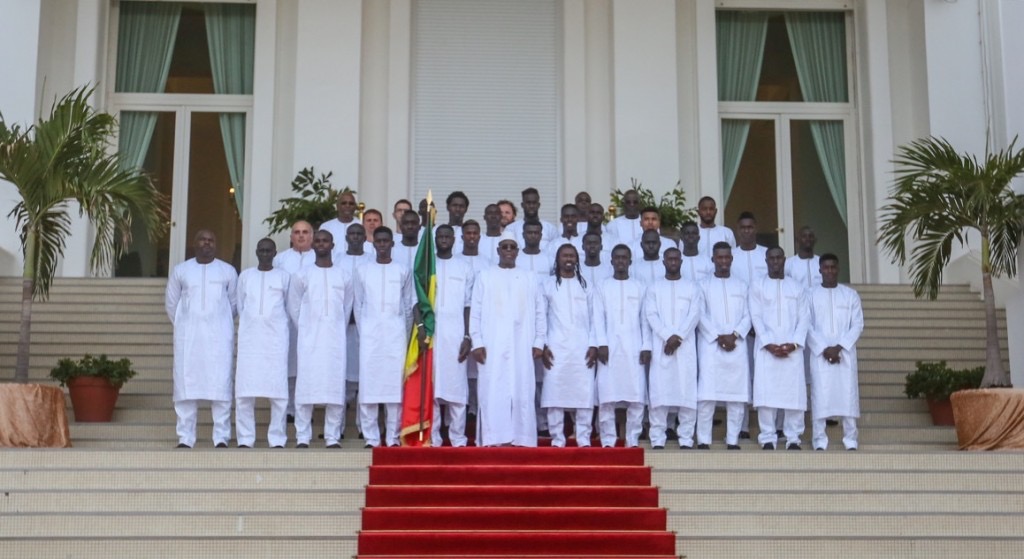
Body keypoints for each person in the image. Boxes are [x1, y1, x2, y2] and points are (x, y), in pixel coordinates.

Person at [469, 236, 545, 447]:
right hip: (492, 344)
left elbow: (540, 311)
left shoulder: (529, 277)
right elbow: (475, 312)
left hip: (523, 343)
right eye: (505, 247)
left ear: (518, 251)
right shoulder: (485, 276)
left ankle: (523, 438)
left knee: (522, 388)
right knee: (492, 389)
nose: (509, 250)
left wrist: (539, 340)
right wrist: (477, 341)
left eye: (512, 247)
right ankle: (494, 437)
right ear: (498, 250)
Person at [165, 229, 238, 449]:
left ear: (215, 244)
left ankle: (221, 437)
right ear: (194, 244)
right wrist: (186, 325)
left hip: (219, 339)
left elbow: (233, 304)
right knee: (186, 388)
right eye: (202, 240)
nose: (207, 243)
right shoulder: (181, 270)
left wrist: (219, 323)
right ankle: (186, 437)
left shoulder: (227, 271)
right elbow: (171, 303)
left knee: (221, 387)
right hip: (190, 339)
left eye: (211, 240)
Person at [287, 230, 353, 448]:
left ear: (333, 245)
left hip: (335, 340)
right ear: (313, 245)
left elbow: (347, 307)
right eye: (319, 241)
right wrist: (306, 327)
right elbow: (294, 306)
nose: (322, 244)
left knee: (334, 387)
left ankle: (332, 436)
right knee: (306, 387)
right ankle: (303, 436)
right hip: (309, 340)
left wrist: (333, 326)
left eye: (326, 241)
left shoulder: (343, 275)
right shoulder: (302, 275)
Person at [354, 227, 415, 448]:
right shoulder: (362, 270)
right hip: (370, 336)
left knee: (393, 388)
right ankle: (371, 437)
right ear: (373, 244)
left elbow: (407, 306)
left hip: (395, 335)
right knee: (369, 387)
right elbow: (358, 306)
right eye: (378, 241)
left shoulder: (402, 270)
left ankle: (392, 437)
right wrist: (366, 331)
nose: (381, 244)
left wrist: (405, 334)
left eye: (385, 241)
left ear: (392, 243)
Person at [749, 247, 810, 450]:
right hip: (767, 349)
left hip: (792, 350)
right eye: (771, 258)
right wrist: (768, 343)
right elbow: (755, 315)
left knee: (794, 396)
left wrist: (793, 344)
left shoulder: (797, 287)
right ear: (766, 261)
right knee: (766, 396)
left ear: (784, 260)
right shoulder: (758, 285)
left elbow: (804, 318)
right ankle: (767, 437)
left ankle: (793, 437)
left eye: (779, 258)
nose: (775, 262)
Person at [539, 244, 598, 448]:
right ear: (557, 259)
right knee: (555, 392)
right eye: (564, 255)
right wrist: (543, 344)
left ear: (577, 259)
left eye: (572, 255)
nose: (568, 259)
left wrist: (594, 345)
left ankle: (583, 437)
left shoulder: (587, 285)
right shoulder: (547, 285)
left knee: (584, 393)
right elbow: (541, 317)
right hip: (556, 346)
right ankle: (558, 438)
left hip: (582, 347)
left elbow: (595, 318)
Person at [234, 238, 290, 449]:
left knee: (278, 393)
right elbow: (241, 306)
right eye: (261, 250)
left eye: (269, 251)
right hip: (250, 341)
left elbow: (289, 306)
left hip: (275, 341)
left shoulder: (284, 277)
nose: (265, 254)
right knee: (244, 392)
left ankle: (277, 438)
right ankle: (245, 438)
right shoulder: (246, 277)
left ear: (275, 253)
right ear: (256, 252)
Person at [644, 247, 703, 449]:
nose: (672, 262)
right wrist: (667, 336)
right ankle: (657, 438)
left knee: (686, 393)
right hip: (662, 346)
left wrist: (678, 337)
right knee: (660, 393)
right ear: (663, 261)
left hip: (684, 347)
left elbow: (695, 314)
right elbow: (651, 314)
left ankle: (686, 438)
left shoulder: (692, 287)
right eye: (669, 259)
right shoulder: (654, 288)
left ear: (681, 261)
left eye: (676, 258)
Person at [593, 244, 651, 448]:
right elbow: (598, 318)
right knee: (607, 396)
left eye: (624, 258)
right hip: (609, 348)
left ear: (630, 261)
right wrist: (601, 343)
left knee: (636, 396)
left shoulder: (640, 286)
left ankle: (632, 438)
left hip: (634, 347)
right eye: (616, 258)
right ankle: (608, 439)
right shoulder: (602, 286)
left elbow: (645, 319)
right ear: (611, 261)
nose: (620, 261)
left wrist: (646, 346)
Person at [696, 242, 751, 450]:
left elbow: (748, 314)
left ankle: (733, 440)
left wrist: (735, 334)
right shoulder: (702, 285)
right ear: (712, 259)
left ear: (732, 259)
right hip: (711, 346)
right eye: (720, 257)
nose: (724, 261)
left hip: (737, 346)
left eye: (727, 257)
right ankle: (703, 439)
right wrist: (718, 337)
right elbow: (699, 314)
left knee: (736, 397)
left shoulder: (742, 285)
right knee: (707, 396)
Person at [807, 254, 863, 451]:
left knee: (848, 396)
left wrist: (839, 347)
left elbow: (857, 325)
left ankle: (851, 439)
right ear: (820, 270)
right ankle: (819, 440)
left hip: (844, 355)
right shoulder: (810, 295)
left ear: (838, 269)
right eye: (826, 267)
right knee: (820, 396)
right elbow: (808, 325)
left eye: (833, 267)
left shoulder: (850, 295)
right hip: (820, 355)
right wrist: (824, 348)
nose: (829, 271)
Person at [431, 225, 474, 447]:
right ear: (435, 239)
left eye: (448, 236)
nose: (444, 240)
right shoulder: (427, 266)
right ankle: (434, 436)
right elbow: (419, 301)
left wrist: (467, 336)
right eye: (441, 236)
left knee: (457, 386)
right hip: (433, 334)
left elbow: (468, 305)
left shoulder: (464, 267)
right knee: (434, 388)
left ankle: (458, 437)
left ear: (454, 239)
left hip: (456, 332)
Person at [272, 220, 315, 420]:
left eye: (305, 232)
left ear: (312, 236)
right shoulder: (280, 260)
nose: (301, 236)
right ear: (291, 237)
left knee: (308, 365)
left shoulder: (319, 258)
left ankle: (306, 409)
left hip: (312, 321)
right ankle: (289, 409)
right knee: (288, 365)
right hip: (285, 321)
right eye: (296, 232)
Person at [336, 223, 375, 436]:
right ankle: (338, 427)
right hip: (341, 329)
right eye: (352, 234)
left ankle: (363, 426)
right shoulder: (337, 261)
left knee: (364, 378)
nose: (356, 237)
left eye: (359, 234)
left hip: (365, 329)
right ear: (346, 236)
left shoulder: (371, 261)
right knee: (340, 378)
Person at [731, 212, 768, 286]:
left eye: (750, 227)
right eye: (743, 228)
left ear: (756, 229)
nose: (746, 231)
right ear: (738, 230)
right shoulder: (730, 255)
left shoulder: (767, 253)